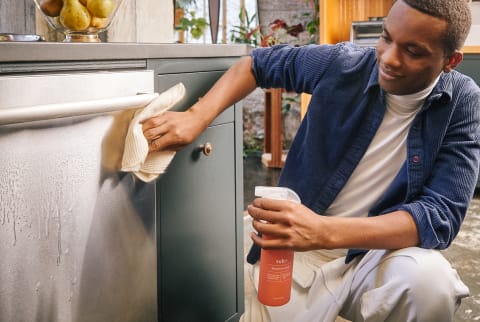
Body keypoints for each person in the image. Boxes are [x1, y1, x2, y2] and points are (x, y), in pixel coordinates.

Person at [142, 0, 480, 321]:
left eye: (413, 51)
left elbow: (440, 216)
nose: (389, 59)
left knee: (430, 284)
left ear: (450, 61)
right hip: (295, 247)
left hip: (377, 256)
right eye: (386, 38)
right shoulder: (344, 63)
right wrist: (196, 117)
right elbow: (257, 64)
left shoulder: (462, 102)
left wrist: (323, 231)